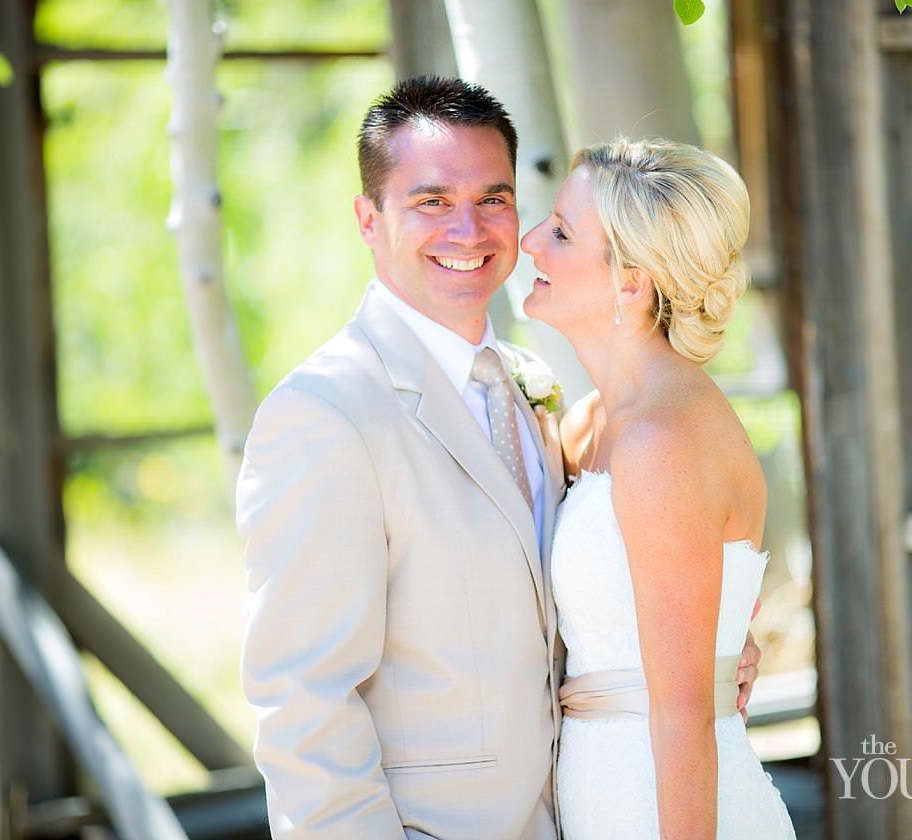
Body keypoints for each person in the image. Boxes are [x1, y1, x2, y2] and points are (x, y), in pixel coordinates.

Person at [236, 77, 762, 839]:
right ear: (367, 219)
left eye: (493, 198)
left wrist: (715, 652)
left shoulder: (543, 399)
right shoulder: (324, 415)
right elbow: (303, 709)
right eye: (430, 202)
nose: (471, 230)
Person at [521, 137, 796, 839]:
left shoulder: (661, 443)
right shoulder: (591, 425)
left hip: (669, 809)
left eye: (560, 232)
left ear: (631, 284)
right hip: (601, 794)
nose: (529, 242)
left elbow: (681, 718)